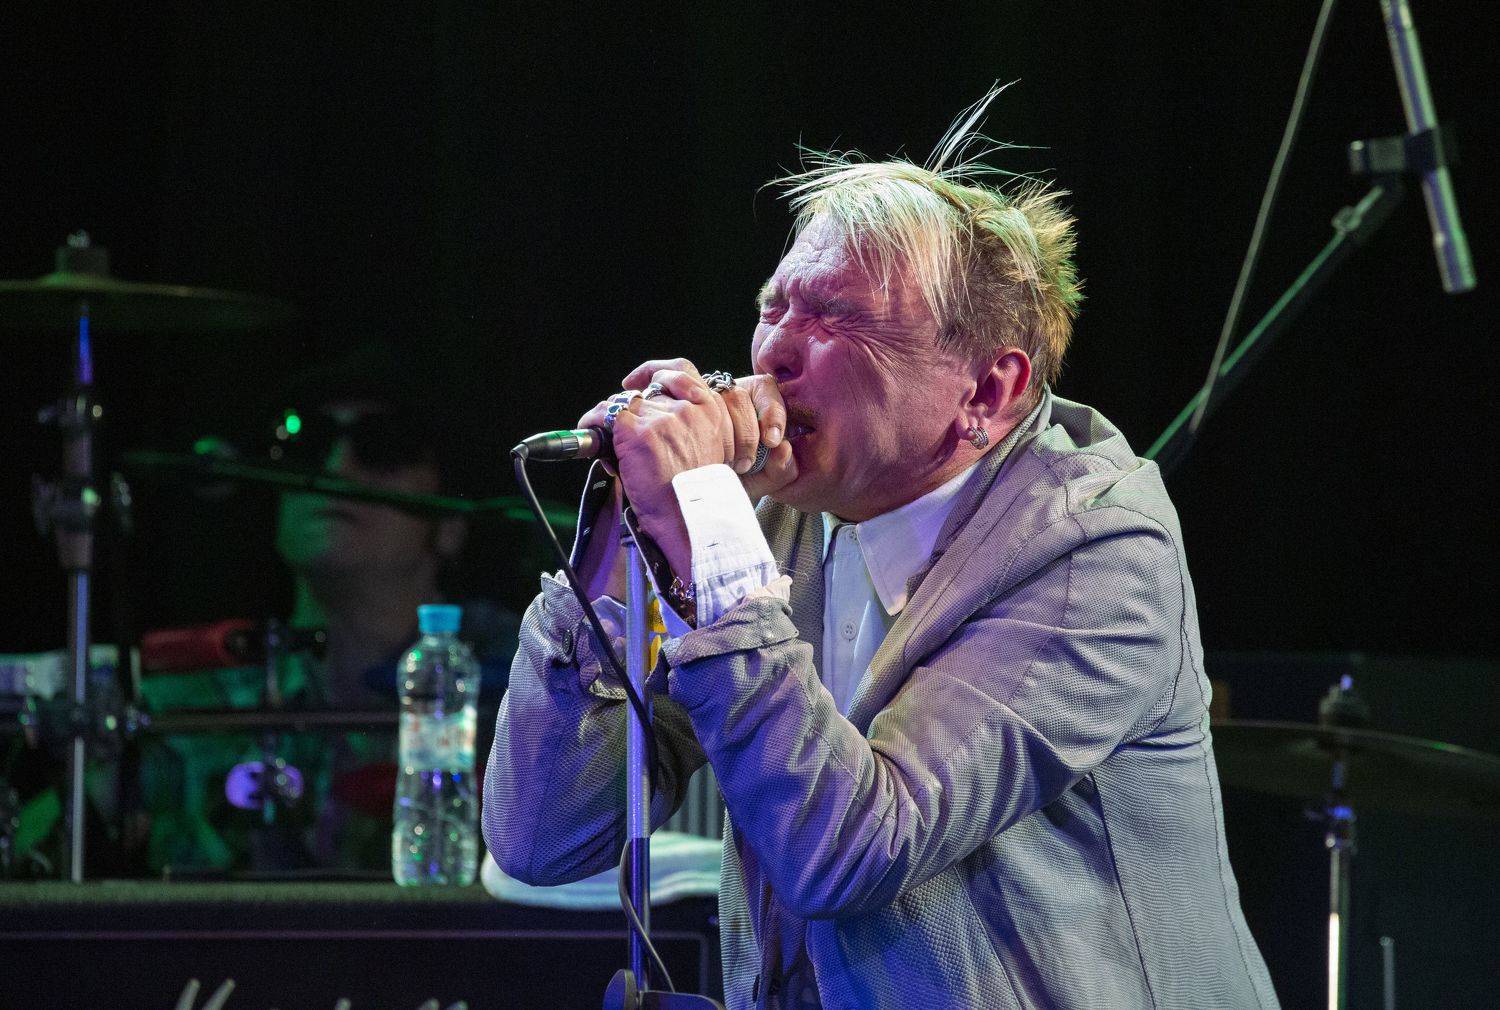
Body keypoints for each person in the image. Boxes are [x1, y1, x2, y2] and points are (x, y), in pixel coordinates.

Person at [485, 94, 1278, 1009]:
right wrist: (621, 545)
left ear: (987, 391)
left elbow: (852, 851)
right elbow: (542, 837)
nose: (775, 353)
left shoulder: (1096, 550)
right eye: (774, 306)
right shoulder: (767, 513)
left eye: (836, 317)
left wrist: (711, 538)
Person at [135, 343, 518, 874]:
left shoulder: (527, 676)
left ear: (450, 524)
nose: (336, 468)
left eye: (383, 446)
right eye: (306, 446)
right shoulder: (190, 692)